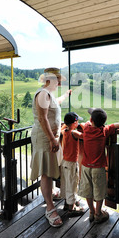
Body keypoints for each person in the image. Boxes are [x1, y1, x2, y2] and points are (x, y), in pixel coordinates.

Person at [30, 68, 71, 228]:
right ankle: (49, 208)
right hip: (45, 138)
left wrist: (66, 95)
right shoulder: (42, 94)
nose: (59, 83)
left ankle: (50, 194)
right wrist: (52, 139)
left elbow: (56, 103)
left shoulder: (48, 94)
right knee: (46, 172)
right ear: (50, 80)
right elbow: (42, 118)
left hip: (51, 137)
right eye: (58, 80)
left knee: (50, 168)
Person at [78, 108, 119, 224]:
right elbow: (118, 124)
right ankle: (98, 213)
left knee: (88, 190)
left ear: (91, 119)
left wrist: (89, 122)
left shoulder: (86, 128)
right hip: (98, 167)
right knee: (99, 190)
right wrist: (106, 125)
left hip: (86, 166)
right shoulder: (104, 131)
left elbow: (83, 123)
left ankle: (91, 211)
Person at [59, 112, 85, 217]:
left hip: (64, 162)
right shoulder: (74, 133)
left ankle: (66, 204)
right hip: (72, 164)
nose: (78, 123)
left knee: (65, 184)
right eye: (77, 122)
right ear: (74, 123)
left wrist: (66, 125)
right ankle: (71, 209)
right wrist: (84, 126)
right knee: (73, 185)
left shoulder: (64, 131)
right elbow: (84, 136)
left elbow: (65, 127)